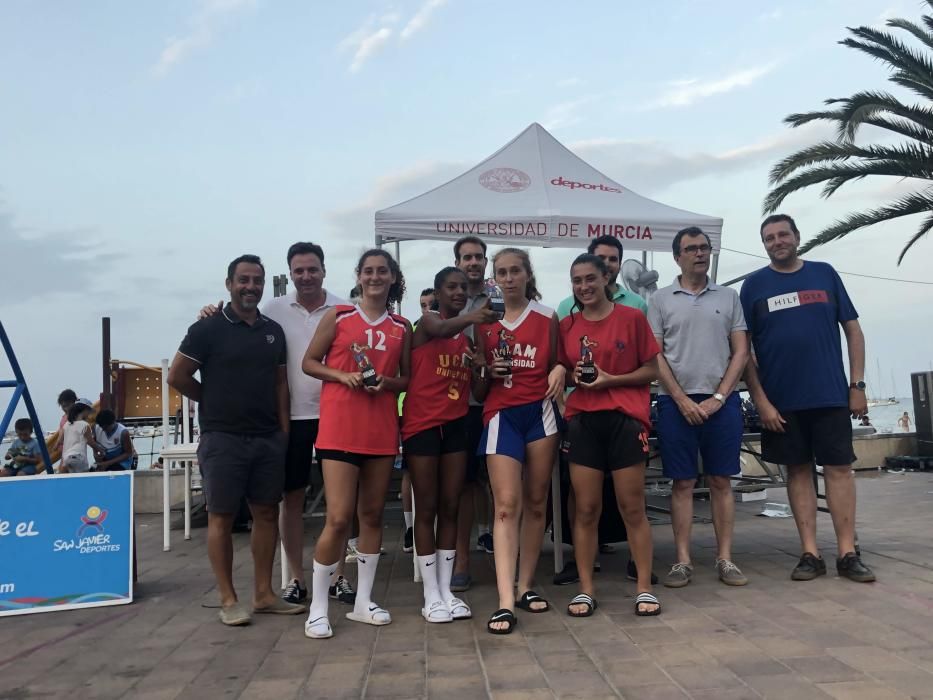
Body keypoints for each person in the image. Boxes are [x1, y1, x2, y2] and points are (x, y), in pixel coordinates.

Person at [169, 254, 305, 626]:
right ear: (229, 284)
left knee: (265, 514)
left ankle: (263, 594)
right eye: (243, 280)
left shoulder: (272, 331)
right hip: (222, 439)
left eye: (256, 280)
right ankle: (228, 598)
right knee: (222, 518)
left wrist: (283, 434)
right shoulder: (207, 329)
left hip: (266, 439)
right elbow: (178, 376)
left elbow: (281, 385)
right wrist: (210, 400)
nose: (251, 287)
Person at [742, 214, 875, 583]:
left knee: (839, 470)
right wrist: (761, 401)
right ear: (764, 244)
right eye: (769, 237)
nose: (777, 241)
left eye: (783, 234)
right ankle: (810, 553)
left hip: (830, 395)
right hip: (781, 402)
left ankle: (848, 553)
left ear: (797, 238)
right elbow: (743, 353)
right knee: (797, 472)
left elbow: (853, 331)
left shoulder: (825, 273)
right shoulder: (753, 286)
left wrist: (857, 386)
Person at [301, 248, 411, 639]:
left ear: (392, 276)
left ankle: (364, 600)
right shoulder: (340, 316)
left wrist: (387, 383)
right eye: (369, 271)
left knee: (373, 516)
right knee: (338, 517)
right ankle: (318, 606)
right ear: (359, 276)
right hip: (339, 429)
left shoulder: (401, 325)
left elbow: (405, 379)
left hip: (381, 432)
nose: (375, 277)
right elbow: (309, 362)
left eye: (382, 271)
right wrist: (340, 376)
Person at [559, 254, 662, 616]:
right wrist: (567, 377)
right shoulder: (567, 326)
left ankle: (645, 587)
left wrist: (611, 380)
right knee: (586, 509)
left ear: (606, 278)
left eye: (590, 278)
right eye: (577, 280)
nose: (584, 287)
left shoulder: (632, 318)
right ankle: (586, 589)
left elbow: (652, 370)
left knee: (632, 507)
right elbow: (562, 368)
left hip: (625, 420)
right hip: (584, 421)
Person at [649, 227, 750, 589]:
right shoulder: (660, 300)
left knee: (722, 480)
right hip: (675, 403)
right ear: (677, 256)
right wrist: (678, 398)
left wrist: (719, 398)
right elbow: (655, 354)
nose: (699, 254)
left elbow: (740, 351)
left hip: (721, 403)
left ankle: (725, 558)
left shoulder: (729, 296)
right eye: (691, 249)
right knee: (683, 482)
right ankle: (682, 561)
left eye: (704, 248)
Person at [474, 247, 565, 634]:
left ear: (528, 275)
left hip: (540, 413)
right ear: (494, 278)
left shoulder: (548, 317)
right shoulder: (485, 323)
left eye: (515, 271)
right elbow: (478, 385)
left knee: (536, 501)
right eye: (502, 272)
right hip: (501, 415)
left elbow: (563, 360)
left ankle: (526, 584)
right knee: (506, 505)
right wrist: (487, 371)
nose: (509, 278)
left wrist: (560, 366)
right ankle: (505, 600)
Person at [403, 267, 498, 623]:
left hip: (457, 425)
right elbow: (441, 328)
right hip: (423, 427)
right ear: (439, 292)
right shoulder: (427, 324)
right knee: (426, 507)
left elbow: (479, 392)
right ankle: (430, 593)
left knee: (452, 506)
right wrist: (477, 314)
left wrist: (482, 368)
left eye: (462, 287)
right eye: (452, 287)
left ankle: (446, 589)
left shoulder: (469, 340)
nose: (458, 292)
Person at [450, 236, 496, 593]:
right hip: (459, 405)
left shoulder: (498, 296)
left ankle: (504, 551)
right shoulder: (448, 298)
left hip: (496, 400)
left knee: (500, 482)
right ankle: (461, 561)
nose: (473, 262)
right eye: (467, 257)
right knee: (464, 484)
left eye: (479, 257)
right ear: (457, 260)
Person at [556, 235, 647, 317]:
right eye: (600, 258)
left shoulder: (638, 304)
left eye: (613, 259)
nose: (606, 263)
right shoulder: (566, 307)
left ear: (620, 265)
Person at [60, 399, 103, 473]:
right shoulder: (85, 425)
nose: (89, 414)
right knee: (84, 481)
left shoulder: (66, 425)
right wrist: (101, 450)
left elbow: (60, 440)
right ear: (85, 410)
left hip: (66, 458)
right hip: (79, 457)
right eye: (89, 411)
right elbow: (91, 442)